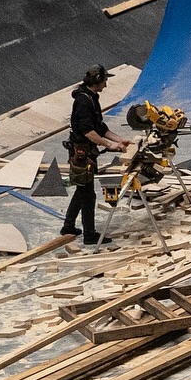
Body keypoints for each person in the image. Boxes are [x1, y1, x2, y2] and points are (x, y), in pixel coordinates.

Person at [63, 65, 128, 245]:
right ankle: (89, 235)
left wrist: (119, 140)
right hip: (81, 153)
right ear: (97, 81)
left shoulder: (91, 97)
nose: (106, 85)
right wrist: (109, 145)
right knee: (88, 194)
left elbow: (99, 127)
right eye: (105, 81)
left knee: (82, 189)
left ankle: (68, 226)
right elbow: (88, 132)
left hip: (87, 151)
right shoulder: (83, 101)